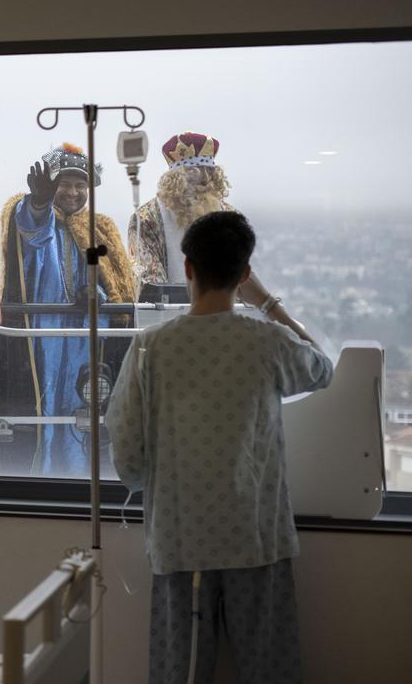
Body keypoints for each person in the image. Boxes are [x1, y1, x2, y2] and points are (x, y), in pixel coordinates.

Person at [105, 211, 333, 684]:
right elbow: (322, 369)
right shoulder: (267, 341)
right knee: (269, 669)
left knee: (180, 673)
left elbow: (126, 448)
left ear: (187, 267)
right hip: (255, 535)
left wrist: (153, 483)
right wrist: (269, 304)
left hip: (180, 538)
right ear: (245, 274)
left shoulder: (151, 347)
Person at [0, 143, 135, 476]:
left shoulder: (100, 228)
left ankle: (83, 475)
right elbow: (30, 233)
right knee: (47, 401)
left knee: (84, 405)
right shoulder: (30, 211)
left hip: (90, 333)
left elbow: (114, 281)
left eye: (80, 186)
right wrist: (40, 203)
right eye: (64, 184)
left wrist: (96, 291)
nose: (72, 192)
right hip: (41, 332)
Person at [129, 131, 233, 287]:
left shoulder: (230, 218)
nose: (199, 182)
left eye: (206, 174)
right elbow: (149, 282)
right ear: (175, 179)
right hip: (169, 310)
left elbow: (237, 274)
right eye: (191, 173)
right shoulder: (146, 218)